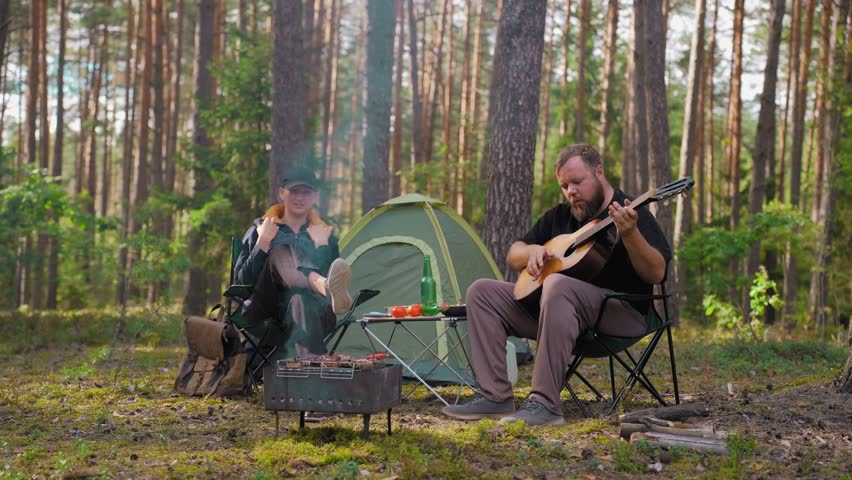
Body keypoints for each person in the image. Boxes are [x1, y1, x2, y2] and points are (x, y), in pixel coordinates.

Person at [442, 144, 671, 426]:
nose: (570, 191)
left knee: (557, 285)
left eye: (577, 182)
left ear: (599, 172)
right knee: (482, 291)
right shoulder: (561, 217)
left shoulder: (630, 211)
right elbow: (514, 254)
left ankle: (545, 405)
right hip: (561, 319)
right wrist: (532, 252)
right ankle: (494, 396)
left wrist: (631, 234)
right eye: (564, 185)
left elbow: (657, 273)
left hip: (621, 315)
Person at [233, 167, 353, 363]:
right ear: (282, 193)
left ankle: (310, 365)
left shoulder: (324, 235)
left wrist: (322, 248)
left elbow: (328, 298)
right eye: (294, 191)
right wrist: (262, 243)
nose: (300, 197)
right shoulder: (260, 228)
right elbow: (241, 282)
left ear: (314, 196)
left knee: (299, 299)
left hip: (313, 311)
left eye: (306, 192)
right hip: (265, 308)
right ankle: (323, 285)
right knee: (281, 250)